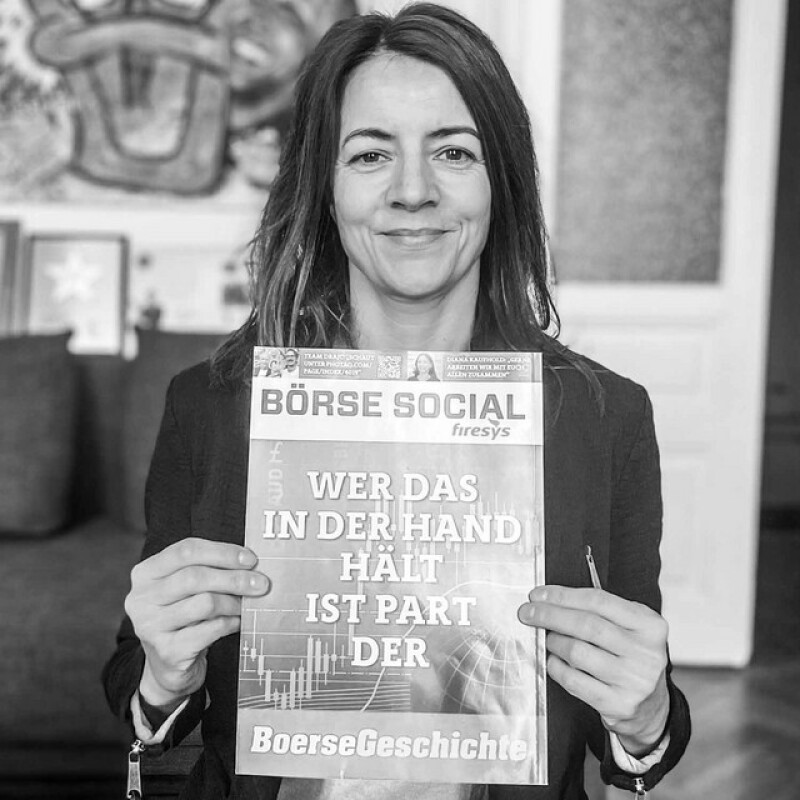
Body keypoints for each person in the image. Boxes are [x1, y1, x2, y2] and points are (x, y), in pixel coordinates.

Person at [103, 5, 690, 799]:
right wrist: (162, 680)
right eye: (371, 154)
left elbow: (641, 719)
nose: (414, 191)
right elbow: (134, 682)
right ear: (325, 187)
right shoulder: (213, 406)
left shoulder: (605, 417)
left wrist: (645, 721)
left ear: (501, 181)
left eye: (454, 151)